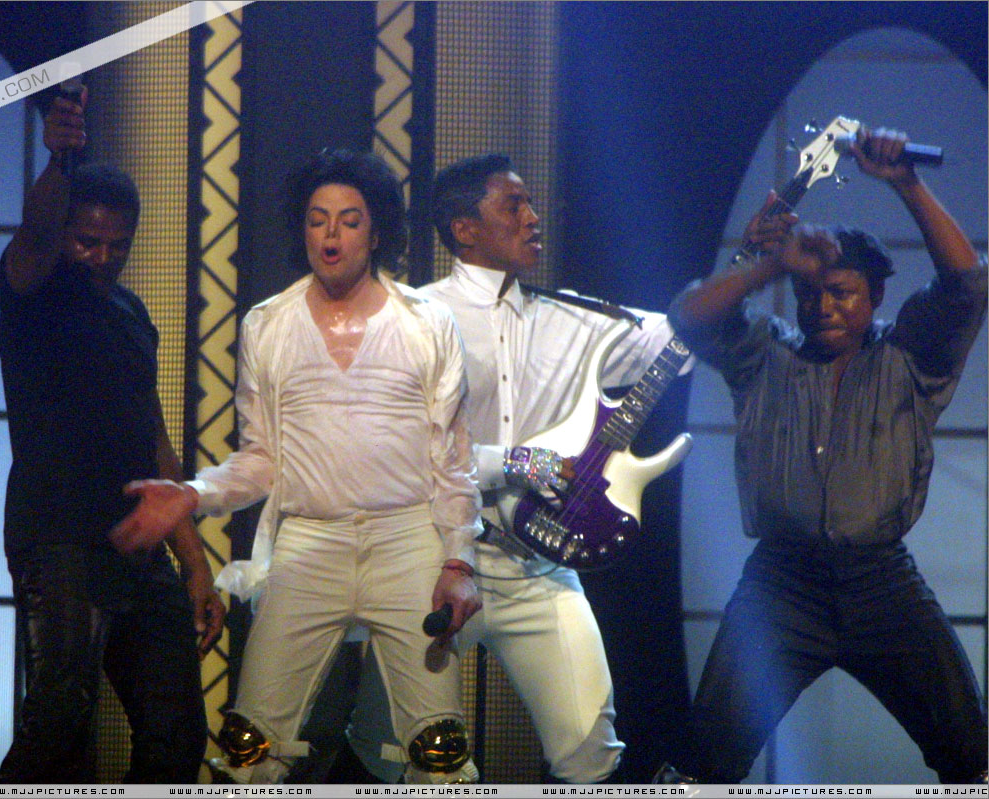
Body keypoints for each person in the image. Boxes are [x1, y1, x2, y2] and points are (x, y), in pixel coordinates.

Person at [317, 153, 692, 784]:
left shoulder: (578, 317)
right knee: (392, 753)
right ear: (465, 229)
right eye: (513, 205)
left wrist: (753, 265)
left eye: (531, 204)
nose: (532, 216)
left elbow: (686, 338)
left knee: (592, 752)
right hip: (435, 563)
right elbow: (398, 450)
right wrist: (516, 463)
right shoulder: (411, 318)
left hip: (539, 568)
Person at [113, 148, 484, 784]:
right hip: (310, 544)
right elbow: (260, 460)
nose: (331, 234)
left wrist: (458, 562)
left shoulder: (426, 324)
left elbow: (453, 461)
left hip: (406, 541)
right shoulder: (269, 325)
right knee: (249, 746)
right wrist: (191, 494)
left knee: (438, 753)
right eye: (318, 220)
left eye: (349, 220)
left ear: (375, 232)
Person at [662, 127, 988, 784]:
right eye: (811, 293)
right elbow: (689, 317)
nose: (824, 307)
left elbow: (967, 285)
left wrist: (905, 183)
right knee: (703, 765)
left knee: (972, 757)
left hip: (882, 584)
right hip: (781, 586)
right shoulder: (766, 354)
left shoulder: (910, 358)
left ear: (875, 299)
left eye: (842, 292)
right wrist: (770, 266)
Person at [0, 86, 224, 783]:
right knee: (59, 722)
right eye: (86, 241)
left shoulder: (130, 313)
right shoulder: (33, 292)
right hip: (59, 539)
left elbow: (154, 442)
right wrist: (60, 159)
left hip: (138, 543)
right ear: (65, 232)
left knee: (176, 735)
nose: (100, 256)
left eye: (116, 244)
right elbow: (35, 231)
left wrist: (194, 560)